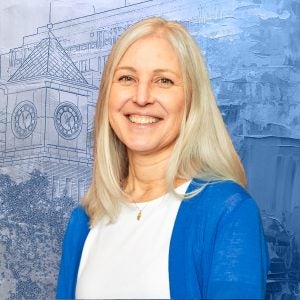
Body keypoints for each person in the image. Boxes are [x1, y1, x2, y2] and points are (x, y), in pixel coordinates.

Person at [56, 17, 269, 299]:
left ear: (191, 101)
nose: (141, 97)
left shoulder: (228, 212)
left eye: (164, 80)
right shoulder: (84, 221)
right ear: (107, 94)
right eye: (126, 78)